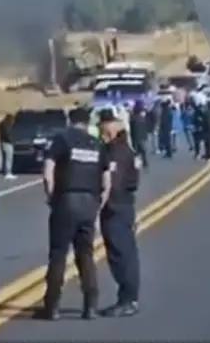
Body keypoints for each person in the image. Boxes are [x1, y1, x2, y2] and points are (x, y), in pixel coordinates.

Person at [36, 106, 112, 321]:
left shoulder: (62, 140)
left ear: (70, 120)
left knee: (58, 254)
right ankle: (90, 305)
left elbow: (47, 170)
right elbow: (107, 181)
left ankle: (52, 306)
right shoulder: (96, 145)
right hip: (89, 202)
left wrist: (51, 197)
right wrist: (98, 206)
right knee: (85, 255)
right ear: (87, 123)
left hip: (66, 200)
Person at [97, 116, 142, 317]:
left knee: (121, 255)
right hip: (124, 206)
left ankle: (128, 299)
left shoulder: (117, 153)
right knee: (124, 254)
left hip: (116, 208)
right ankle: (128, 298)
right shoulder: (125, 150)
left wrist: (98, 207)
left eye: (105, 132)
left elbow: (112, 184)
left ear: (113, 131)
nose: (102, 136)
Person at [128, 102, 151, 173]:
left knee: (136, 152)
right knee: (143, 151)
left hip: (135, 137)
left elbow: (132, 129)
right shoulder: (142, 118)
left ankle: (137, 166)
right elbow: (146, 127)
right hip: (142, 136)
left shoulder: (132, 118)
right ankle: (145, 163)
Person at [0, 113, 16, 180]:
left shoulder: (1, 124)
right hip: (7, 143)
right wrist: (12, 142)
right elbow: (8, 134)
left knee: (4, 158)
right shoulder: (7, 125)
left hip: (2, 142)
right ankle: (8, 173)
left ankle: (4, 171)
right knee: (9, 158)